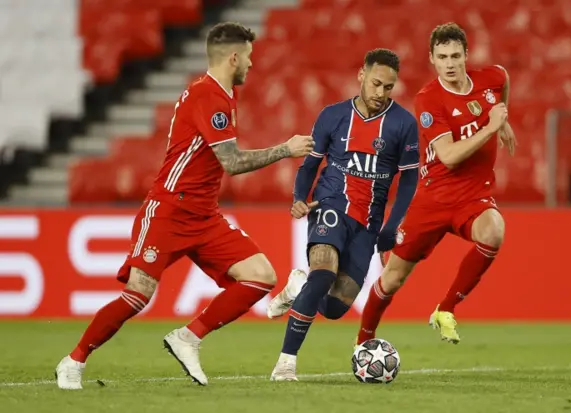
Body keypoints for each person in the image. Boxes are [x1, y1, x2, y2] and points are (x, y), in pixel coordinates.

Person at [54, 22, 314, 390]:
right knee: (137, 295)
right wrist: (285, 149)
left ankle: (188, 337)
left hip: (204, 214)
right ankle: (74, 361)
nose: (253, 65)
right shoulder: (208, 97)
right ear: (234, 57)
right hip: (169, 211)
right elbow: (232, 163)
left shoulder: (221, 96)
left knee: (261, 276)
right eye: (250, 57)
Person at [356, 22, 517, 346]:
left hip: (474, 195)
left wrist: (505, 122)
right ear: (432, 59)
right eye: (442, 57)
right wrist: (490, 127)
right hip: (434, 198)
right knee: (393, 278)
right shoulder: (429, 99)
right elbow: (449, 157)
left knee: (494, 232)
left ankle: (446, 309)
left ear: (466, 55)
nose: (450, 63)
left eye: (456, 55)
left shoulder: (493, 78)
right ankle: (363, 341)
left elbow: (503, 87)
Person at [267, 49, 420, 381]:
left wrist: (392, 226)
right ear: (361, 76)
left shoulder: (404, 124)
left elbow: (409, 178)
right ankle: (286, 363)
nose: (381, 93)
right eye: (377, 84)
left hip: (368, 223)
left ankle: (297, 287)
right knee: (322, 275)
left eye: (389, 87)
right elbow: (311, 164)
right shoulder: (333, 116)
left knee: (335, 307)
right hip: (330, 206)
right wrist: (298, 197)